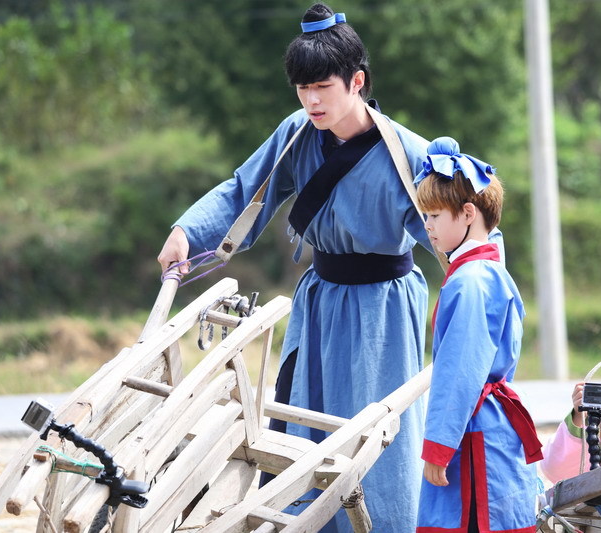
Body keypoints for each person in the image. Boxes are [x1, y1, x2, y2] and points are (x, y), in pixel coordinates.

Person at [157, 4, 450, 531]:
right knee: (303, 424)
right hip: (319, 299)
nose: (312, 100)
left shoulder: (409, 153)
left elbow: (461, 230)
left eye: (322, 87)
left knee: (376, 437)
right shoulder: (297, 133)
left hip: (382, 307)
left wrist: (476, 280)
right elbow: (244, 190)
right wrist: (186, 232)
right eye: (302, 88)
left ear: (356, 81)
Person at [413, 137, 541, 533]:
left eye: (435, 214)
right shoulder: (487, 268)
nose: (427, 225)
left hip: (473, 436)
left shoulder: (471, 280)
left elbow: (459, 371)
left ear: (468, 213)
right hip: (486, 426)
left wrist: (438, 446)